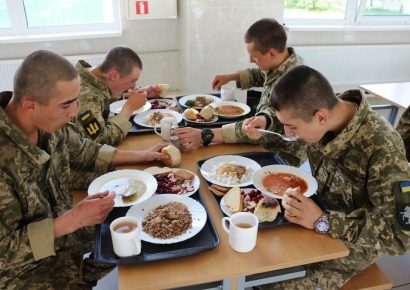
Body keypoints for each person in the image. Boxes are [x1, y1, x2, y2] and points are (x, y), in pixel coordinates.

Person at [0, 50, 168, 289]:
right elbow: (5, 251)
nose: (74, 112)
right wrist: (72, 220)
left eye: (76, 100)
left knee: (134, 222)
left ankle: (85, 275)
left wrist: (144, 155)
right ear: (30, 105)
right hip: (18, 268)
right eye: (67, 104)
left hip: (61, 227)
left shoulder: (50, 124)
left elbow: (86, 149)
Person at [243, 65, 410, 289]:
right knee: (254, 257)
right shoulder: (324, 113)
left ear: (320, 117)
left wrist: (323, 221)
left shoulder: (382, 148)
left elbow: (400, 237)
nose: (288, 134)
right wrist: (266, 123)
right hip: (313, 215)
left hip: (351, 242)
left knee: (271, 283)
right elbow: (290, 116)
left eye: (291, 128)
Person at [173, 18, 305, 165]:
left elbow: (268, 121)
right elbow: (262, 75)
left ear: (271, 54)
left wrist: (205, 135)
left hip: (281, 154)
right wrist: (230, 77)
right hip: (262, 139)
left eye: (254, 57)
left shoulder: (295, 80)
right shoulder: (283, 59)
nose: (251, 61)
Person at [73, 46, 163, 146]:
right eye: (132, 81)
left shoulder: (93, 77)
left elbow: (104, 95)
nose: (134, 86)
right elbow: (100, 141)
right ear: (114, 75)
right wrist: (129, 108)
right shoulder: (85, 97)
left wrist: (142, 92)